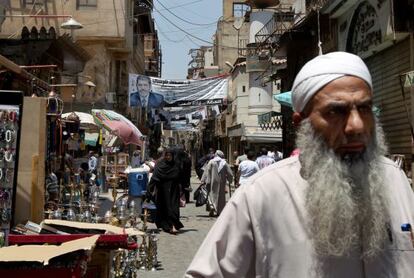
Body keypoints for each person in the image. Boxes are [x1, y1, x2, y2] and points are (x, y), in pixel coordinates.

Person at [185, 52, 414, 277]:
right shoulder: (262, 194)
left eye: (364, 109)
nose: (356, 126)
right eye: (336, 111)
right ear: (300, 122)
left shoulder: (394, 179)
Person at [147, 148, 183, 234]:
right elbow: (155, 176)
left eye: (170, 155)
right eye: (167, 155)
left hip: (174, 190)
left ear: (173, 156)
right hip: (163, 190)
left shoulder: (176, 164)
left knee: (173, 209)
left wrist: (183, 187)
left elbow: (180, 176)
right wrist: (150, 188)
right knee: (165, 208)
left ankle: (173, 225)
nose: (168, 157)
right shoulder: (160, 164)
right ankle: (168, 226)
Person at [201, 150, 233, 217]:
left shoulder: (211, 162)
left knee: (210, 194)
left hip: (211, 181)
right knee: (221, 197)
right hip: (221, 182)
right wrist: (230, 180)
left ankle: (212, 206)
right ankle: (219, 211)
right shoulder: (224, 163)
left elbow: (206, 171)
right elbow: (230, 173)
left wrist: (203, 180)